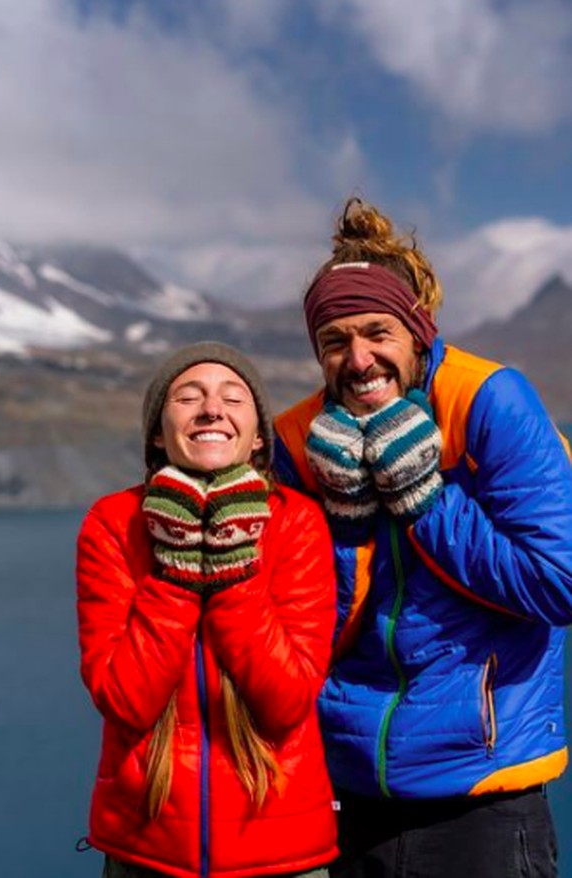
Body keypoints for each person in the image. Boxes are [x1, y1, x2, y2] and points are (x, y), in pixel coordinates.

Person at [274, 198, 572, 878]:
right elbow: (303, 625)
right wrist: (347, 523)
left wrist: (423, 501)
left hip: (482, 792)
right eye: (334, 341)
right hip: (347, 785)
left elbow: (559, 582)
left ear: (418, 332)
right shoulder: (298, 440)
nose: (358, 358)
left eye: (377, 332)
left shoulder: (488, 400)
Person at [76, 342, 338, 878]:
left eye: (233, 397)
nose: (212, 409)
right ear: (157, 431)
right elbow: (126, 700)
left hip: (281, 855)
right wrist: (174, 568)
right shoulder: (112, 524)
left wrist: (232, 567)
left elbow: (286, 701)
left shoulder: (296, 523)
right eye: (188, 396)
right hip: (146, 852)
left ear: (259, 434)